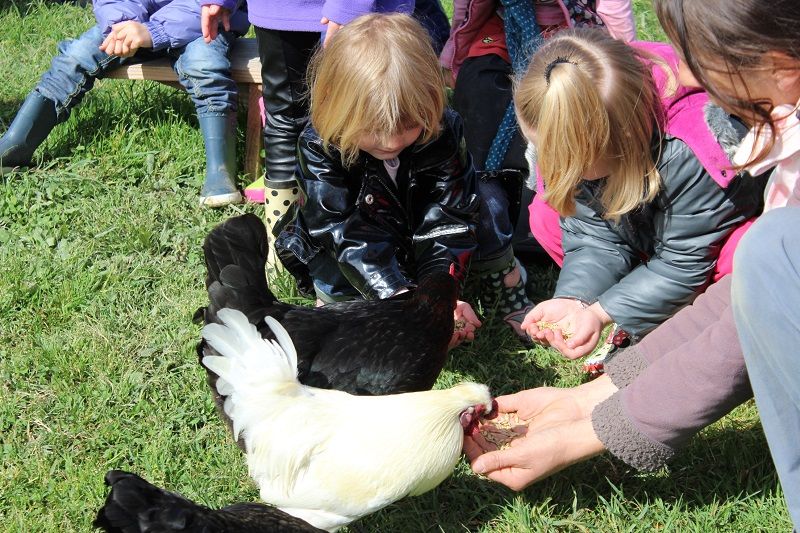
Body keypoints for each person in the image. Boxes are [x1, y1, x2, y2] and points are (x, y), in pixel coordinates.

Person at [465, 2, 800, 528]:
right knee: (551, 217)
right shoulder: (589, 118)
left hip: (696, 238)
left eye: (698, 60)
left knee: (751, 252)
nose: (683, 75)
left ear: (780, 67)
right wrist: (581, 317)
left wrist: (591, 425)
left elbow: (709, 279)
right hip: (660, 228)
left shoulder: (697, 147)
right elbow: (590, 231)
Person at [274, 13, 534, 347]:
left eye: (408, 124)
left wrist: (438, 293)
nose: (391, 141)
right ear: (337, 108)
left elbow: (449, 218)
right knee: (342, 293)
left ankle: (506, 280)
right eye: (372, 128)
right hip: (349, 247)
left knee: (487, 202)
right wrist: (397, 294)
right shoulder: (319, 143)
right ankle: (338, 301)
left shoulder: (443, 130)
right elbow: (336, 227)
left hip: (417, 233)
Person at [515, 28, 765, 359]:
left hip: (705, 244)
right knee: (547, 217)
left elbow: (682, 261)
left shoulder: (692, 148)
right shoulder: (577, 119)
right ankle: (643, 300)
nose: (563, 169)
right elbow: (593, 237)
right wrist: (576, 299)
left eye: (574, 162)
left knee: (744, 254)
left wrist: (603, 311)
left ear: (624, 139)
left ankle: (707, 323)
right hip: (647, 227)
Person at [200, 0, 449, 236]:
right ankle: (284, 237)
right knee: (286, 118)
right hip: (284, 12)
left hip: (370, 15)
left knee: (383, 113)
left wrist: (351, 5)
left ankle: (389, 234)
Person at [0, 0, 249, 208]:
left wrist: (155, 32)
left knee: (203, 66)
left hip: (203, 22)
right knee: (75, 57)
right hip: (135, 22)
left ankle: (221, 170)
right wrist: (121, 22)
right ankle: (16, 146)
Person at [441, 0, 636, 258]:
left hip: (576, 32)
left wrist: (626, 70)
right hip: (503, 25)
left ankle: (539, 213)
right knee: (480, 87)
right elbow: (467, 9)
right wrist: (454, 57)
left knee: (554, 105)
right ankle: (484, 205)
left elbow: (615, 13)